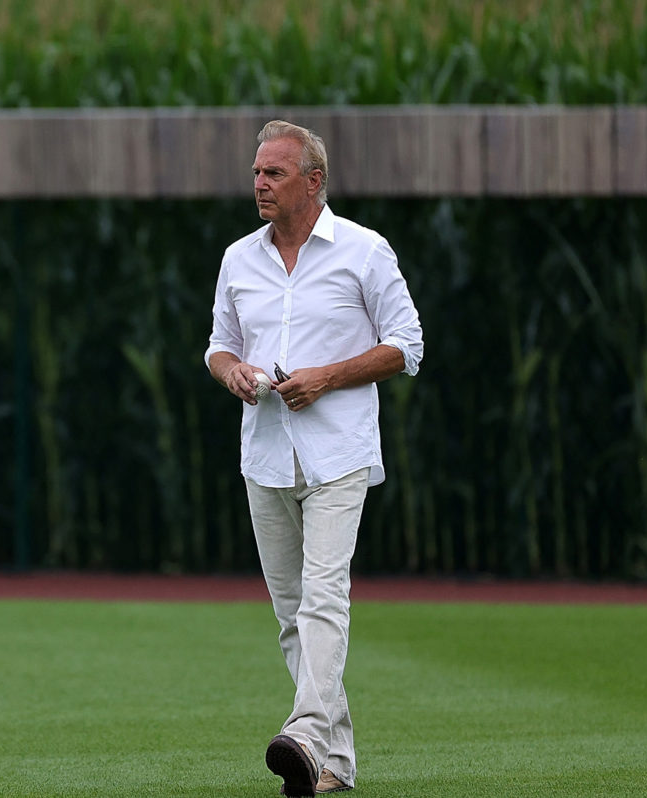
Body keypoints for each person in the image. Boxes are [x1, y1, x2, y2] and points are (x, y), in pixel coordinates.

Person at [204, 120, 423, 796]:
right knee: (290, 612)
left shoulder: (364, 250)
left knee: (325, 597)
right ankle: (336, 762)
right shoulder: (239, 257)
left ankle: (302, 733)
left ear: (313, 181)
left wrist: (327, 376)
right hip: (264, 456)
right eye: (256, 172)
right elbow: (217, 345)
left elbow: (407, 344)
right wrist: (233, 372)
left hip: (339, 455)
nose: (259, 183)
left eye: (274, 173)